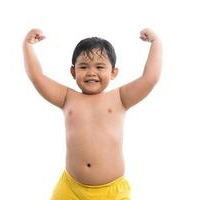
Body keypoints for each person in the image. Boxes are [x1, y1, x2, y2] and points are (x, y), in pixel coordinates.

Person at [22, 27, 162, 200]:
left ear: (113, 73)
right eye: (83, 66)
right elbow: (37, 76)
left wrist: (155, 43)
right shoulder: (67, 98)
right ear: (73, 72)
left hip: (111, 192)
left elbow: (150, 78)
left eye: (100, 66)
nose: (91, 72)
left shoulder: (120, 98)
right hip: (71, 188)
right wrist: (28, 45)